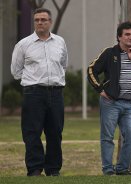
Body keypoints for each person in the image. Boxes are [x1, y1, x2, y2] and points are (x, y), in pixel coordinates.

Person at [87, 21, 131, 175]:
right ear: (119, 37)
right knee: (107, 137)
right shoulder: (109, 53)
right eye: (127, 34)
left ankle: (122, 169)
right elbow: (91, 70)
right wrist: (99, 89)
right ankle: (108, 170)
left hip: (129, 105)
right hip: (110, 102)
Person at [11, 8, 68, 176]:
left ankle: (53, 170)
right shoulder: (23, 44)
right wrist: (34, 81)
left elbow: (63, 65)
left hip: (56, 93)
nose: (40, 23)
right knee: (32, 132)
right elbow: (16, 71)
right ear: (34, 22)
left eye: (43, 19)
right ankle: (35, 169)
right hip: (33, 94)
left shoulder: (60, 42)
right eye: (37, 20)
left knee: (55, 133)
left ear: (50, 21)